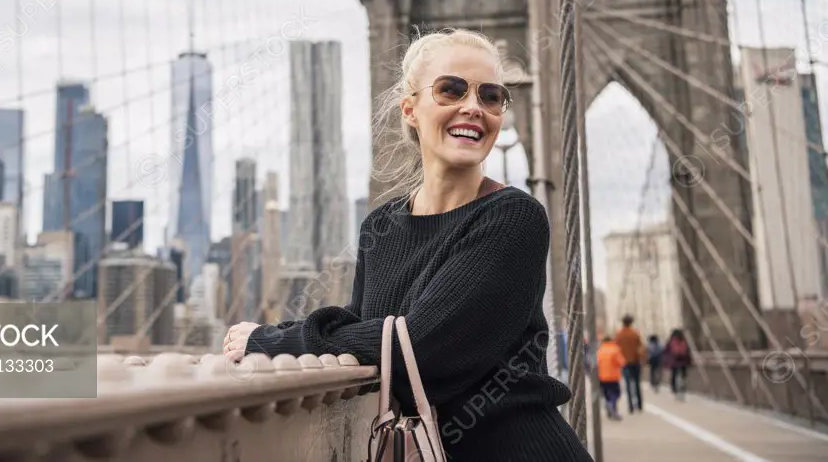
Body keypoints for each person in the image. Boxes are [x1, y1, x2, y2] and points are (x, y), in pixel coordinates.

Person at [222, 28, 592, 461]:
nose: (473, 107)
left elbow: (422, 350)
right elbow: (359, 333)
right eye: (450, 90)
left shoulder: (514, 218)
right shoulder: (380, 226)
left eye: (491, 96)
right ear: (411, 109)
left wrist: (271, 341)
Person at [614, 314, 645, 413]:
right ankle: (639, 405)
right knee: (637, 384)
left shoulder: (619, 335)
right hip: (635, 362)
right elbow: (641, 348)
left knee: (627, 385)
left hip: (624, 363)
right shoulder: (635, 333)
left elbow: (616, 349)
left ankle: (630, 406)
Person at [595, 336, 626, 420]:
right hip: (613, 377)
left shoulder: (599, 351)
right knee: (616, 393)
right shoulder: (615, 349)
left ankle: (609, 405)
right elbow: (622, 362)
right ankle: (612, 406)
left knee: (606, 394)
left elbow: (596, 364)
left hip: (602, 377)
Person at [664, 329, 692, 400]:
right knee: (683, 376)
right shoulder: (684, 341)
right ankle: (683, 389)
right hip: (683, 362)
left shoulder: (671, 342)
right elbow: (688, 352)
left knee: (674, 375)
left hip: (674, 362)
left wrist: (666, 362)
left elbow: (666, 352)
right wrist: (689, 362)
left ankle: (674, 389)